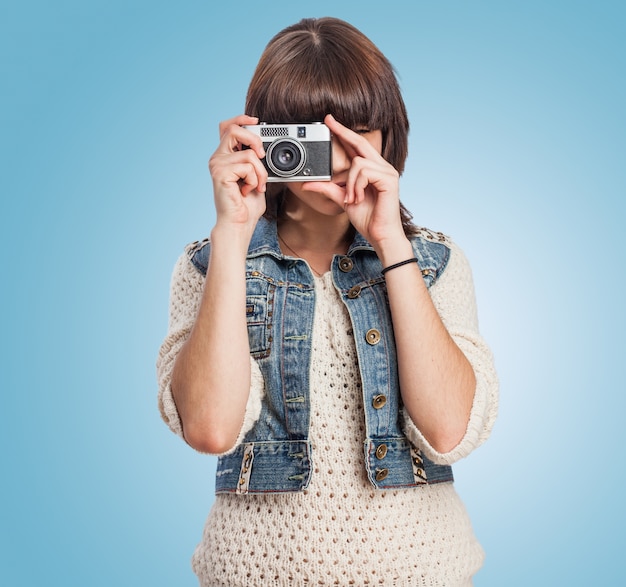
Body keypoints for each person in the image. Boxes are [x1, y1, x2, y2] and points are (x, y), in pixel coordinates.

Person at [157, 16, 498, 586]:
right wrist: (232, 236)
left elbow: (447, 430)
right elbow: (211, 429)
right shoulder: (206, 264)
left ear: (390, 133)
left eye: (357, 133)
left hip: (423, 571)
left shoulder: (435, 263)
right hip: (251, 574)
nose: (338, 158)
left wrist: (390, 241)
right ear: (266, 138)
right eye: (313, 137)